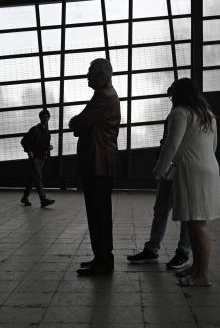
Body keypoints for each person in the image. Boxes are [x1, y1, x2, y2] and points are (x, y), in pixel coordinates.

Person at [152, 78, 220, 287]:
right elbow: (214, 145)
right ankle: (196, 268)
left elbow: (171, 145)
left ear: (178, 95)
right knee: (196, 223)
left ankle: (202, 275)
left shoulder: (180, 113)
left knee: (197, 226)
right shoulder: (208, 115)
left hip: (191, 171)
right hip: (209, 168)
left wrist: (159, 171)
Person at [69, 59, 120, 276]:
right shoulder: (106, 95)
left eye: (91, 73)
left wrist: (77, 124)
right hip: (99, 163)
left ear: (102, 76)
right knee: (99, 214)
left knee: (98, 214)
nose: (87, 76)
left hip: (98, 163)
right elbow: (83, 124)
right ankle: (101, 257)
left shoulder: (103, 97)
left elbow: (78, 123)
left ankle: (103, 260)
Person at [127, 118, 191, 269]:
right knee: (168, 210)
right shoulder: (184, 114)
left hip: (179, 167)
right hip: (176, 167)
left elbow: (170, 143)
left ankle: (178, 251)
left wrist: (160, 167)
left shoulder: (181, 114)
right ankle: (176, 250)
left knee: (179, 211)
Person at [20, 109, 55, 208]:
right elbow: (24, 141)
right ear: (41, 118)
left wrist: (48, 148)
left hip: (41, 158)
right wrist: (29, 151)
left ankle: (25, 197)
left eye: (46, 116)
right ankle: (43, 200)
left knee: (33, 179)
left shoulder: (47, 132)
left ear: (48, 117)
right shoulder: (35, 130)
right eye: (44, 116)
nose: (45, 118)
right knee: (38, 178)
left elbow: (44, 145)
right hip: (35, 158)